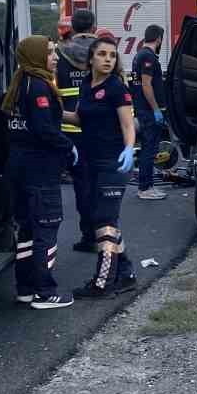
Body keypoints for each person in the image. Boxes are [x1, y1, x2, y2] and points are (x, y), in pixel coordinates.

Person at [2, 35, 74, 310]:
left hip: (18, 167)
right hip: (40, 170)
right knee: (47, 227)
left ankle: (25, 288)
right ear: (35, 56)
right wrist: (69, 146)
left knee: (27, 230)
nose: (55, 58)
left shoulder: (19, 84)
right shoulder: (40, 86)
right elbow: (44, 129)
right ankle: (45, 292)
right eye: (50, 52)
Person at [70, 36, 139, 297]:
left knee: (105, 220)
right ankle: (126, 274)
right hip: (91, 162)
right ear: (91, 59)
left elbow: (128, 125)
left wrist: (129, 148)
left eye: (112, 55)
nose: (108, 59)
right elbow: (79, 118)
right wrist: (52, 112)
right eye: (102, 54)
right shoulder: (86, 85)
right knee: (98, 218)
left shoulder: (116, 88)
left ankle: (103, 282)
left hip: (114, 163)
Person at [56, 9, 99, 251]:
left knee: (82, 184)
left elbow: (52, 90)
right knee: (102, 183)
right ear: (93, 27)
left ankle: (89, 236)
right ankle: (105, 234)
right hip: (100, 128)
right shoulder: (105, 52)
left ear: (72, 27)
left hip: (70, 128)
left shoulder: (59, 53)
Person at [131, 24, 168, 201]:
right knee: (149, 150)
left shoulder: (140, 54)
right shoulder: (148, 57)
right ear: (159, 38)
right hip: (148, 111)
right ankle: (145, 188)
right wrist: (156, 109)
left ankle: (148, 186)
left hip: (143, 109)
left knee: (149, 148)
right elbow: (146, 85)